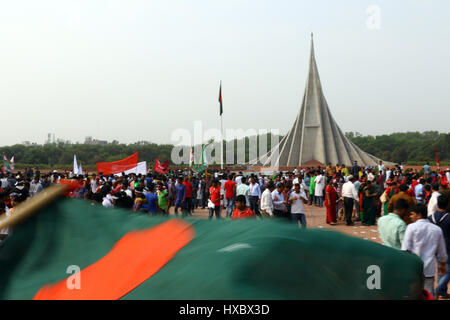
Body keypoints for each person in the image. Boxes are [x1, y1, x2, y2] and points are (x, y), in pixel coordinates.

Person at [402, 204, 447, 297]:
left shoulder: (411, 227)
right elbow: (442, 251)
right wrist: (442, 265)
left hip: (414, 269)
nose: (410, 217)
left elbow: (405, 249)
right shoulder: (436, 229)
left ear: (419, 215)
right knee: (429, 295)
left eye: (412, 214)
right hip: (429, 269)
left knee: (412, 295)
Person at [428, 195, 450, 299]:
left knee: (441, 268)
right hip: (447, 246)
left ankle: (443, 291)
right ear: (448, 205)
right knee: (447, 270)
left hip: (434, 245)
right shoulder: (448, 217)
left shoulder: (430, 217)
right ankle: (439, 289)